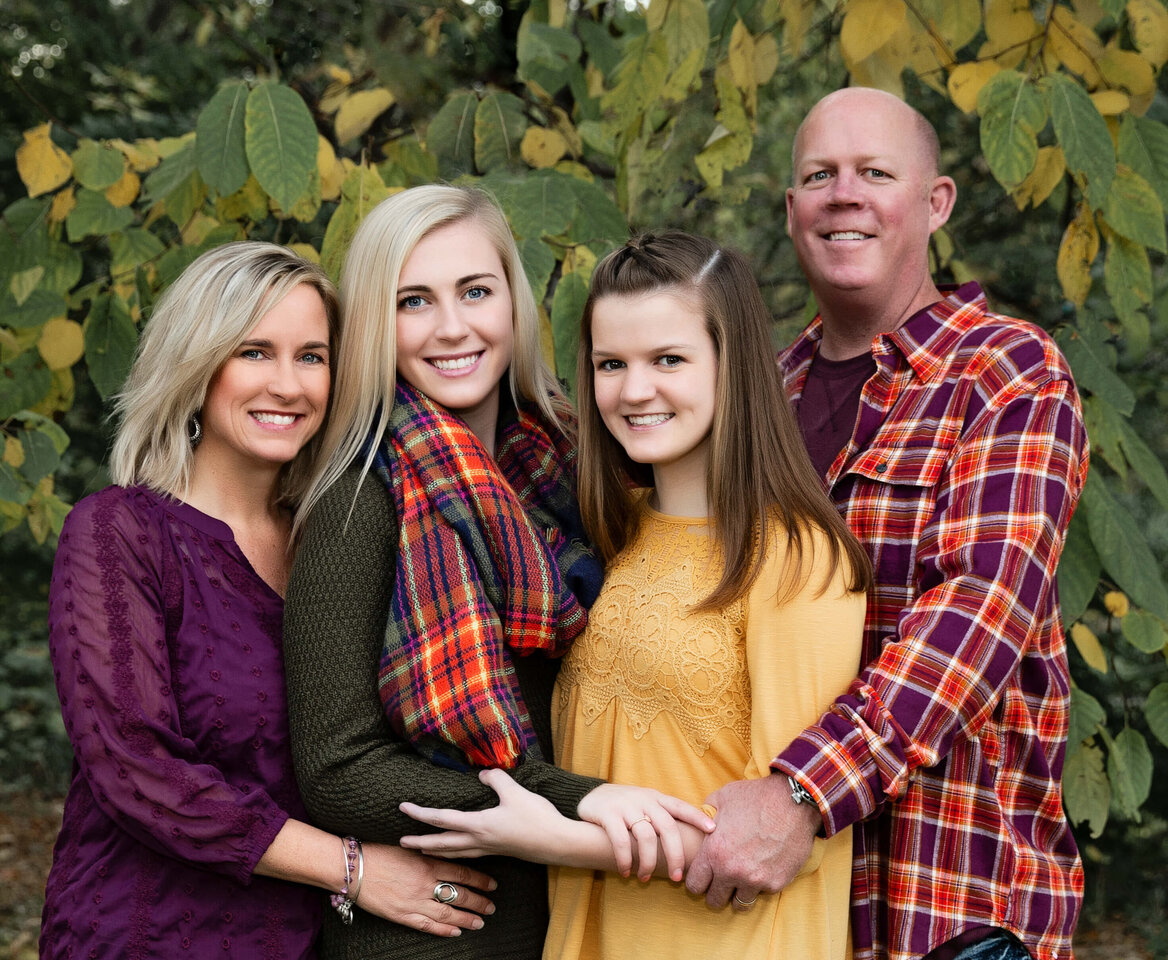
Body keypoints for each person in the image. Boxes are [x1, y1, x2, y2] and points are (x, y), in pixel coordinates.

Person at [683, 88, 1089, 960]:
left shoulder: (1008, 373)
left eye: (875, 172)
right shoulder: (758, 390)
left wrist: (802, 795)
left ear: (935, 203)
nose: (845, 194)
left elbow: (978, 612)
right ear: (792, 210)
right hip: (776, 916)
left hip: (942, 911)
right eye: (820, 175)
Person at [397, 231, 873, 960]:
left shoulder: (794, 555)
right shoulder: (609, 543)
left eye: (668, 360)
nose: (634, 390)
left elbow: (776, 843)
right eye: (611, 364)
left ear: (733, 366)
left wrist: (550, 837)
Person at [282, 187, 708, 960]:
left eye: (476, 291)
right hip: (440, 932)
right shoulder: (358, 496)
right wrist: (578, 804)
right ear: (379, 321)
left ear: (514, 301)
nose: (453, 327)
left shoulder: (576, 466)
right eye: (415, 301)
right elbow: (339, 771)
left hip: (587, 914)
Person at [41, 242, 495, 960]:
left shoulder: (333, 539)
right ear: (198, 364)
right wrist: (355, 869)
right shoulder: (120, 531)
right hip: (147, 931)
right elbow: (137, 769)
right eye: (255, 352)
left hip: (307, 941)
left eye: (312, 357)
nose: (288, 384)